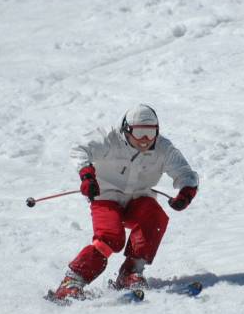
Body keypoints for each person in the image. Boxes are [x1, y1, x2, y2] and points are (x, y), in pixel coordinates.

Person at [48, 104, 199, 302]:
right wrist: (87, 176)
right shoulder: (110, 138)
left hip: (139, 198)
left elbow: (186, 173)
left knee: (155, 217)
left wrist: (186, 193)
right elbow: (79, 149)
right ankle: (72, 282)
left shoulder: (163, 148)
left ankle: (130, 273)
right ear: (126, 129)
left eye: (150, 133)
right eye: (139, 132)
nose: (145, 139)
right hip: (106, 196)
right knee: (110, 237)